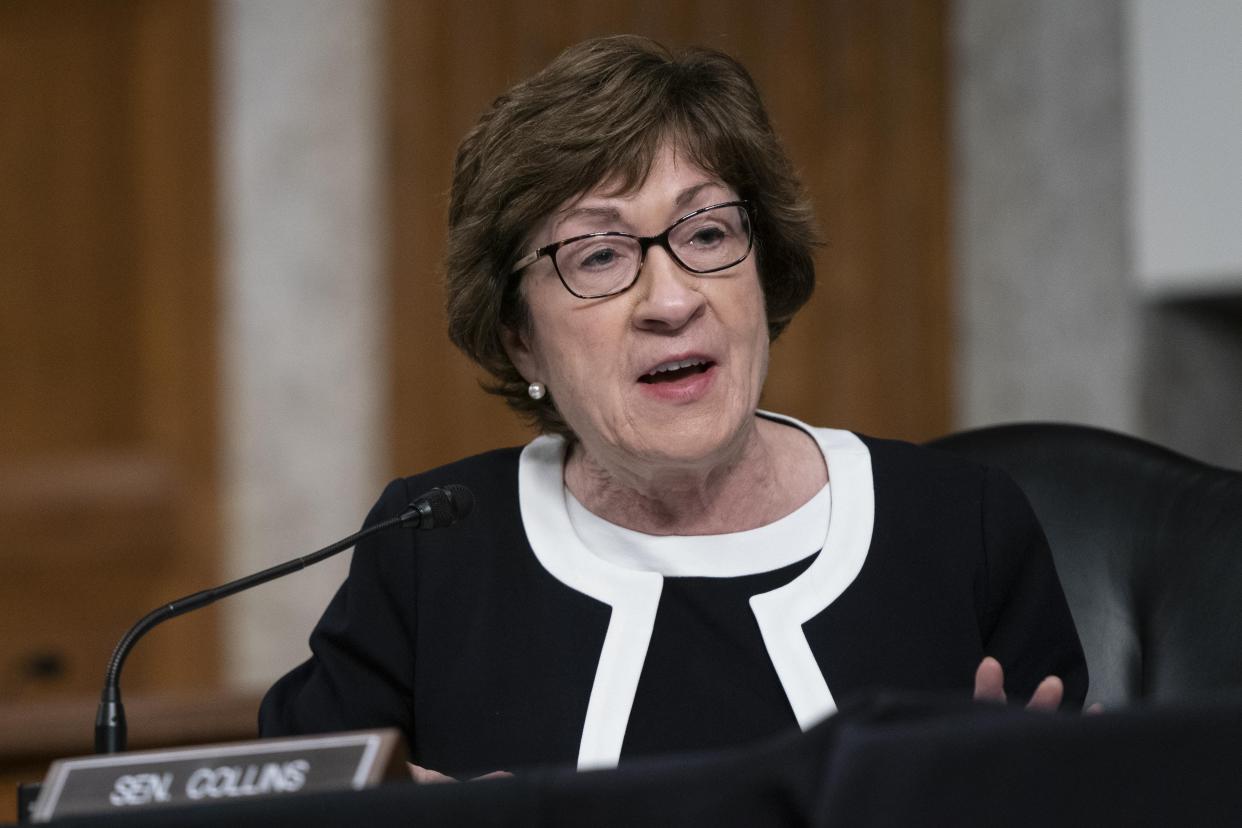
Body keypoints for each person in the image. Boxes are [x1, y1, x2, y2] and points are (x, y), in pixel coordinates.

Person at [259, 35, 1086, 780]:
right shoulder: (433, 549)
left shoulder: (958, 528)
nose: (670, 298)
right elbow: (297, 793)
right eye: (600, 254)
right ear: (520, 340)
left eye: (706, 235)